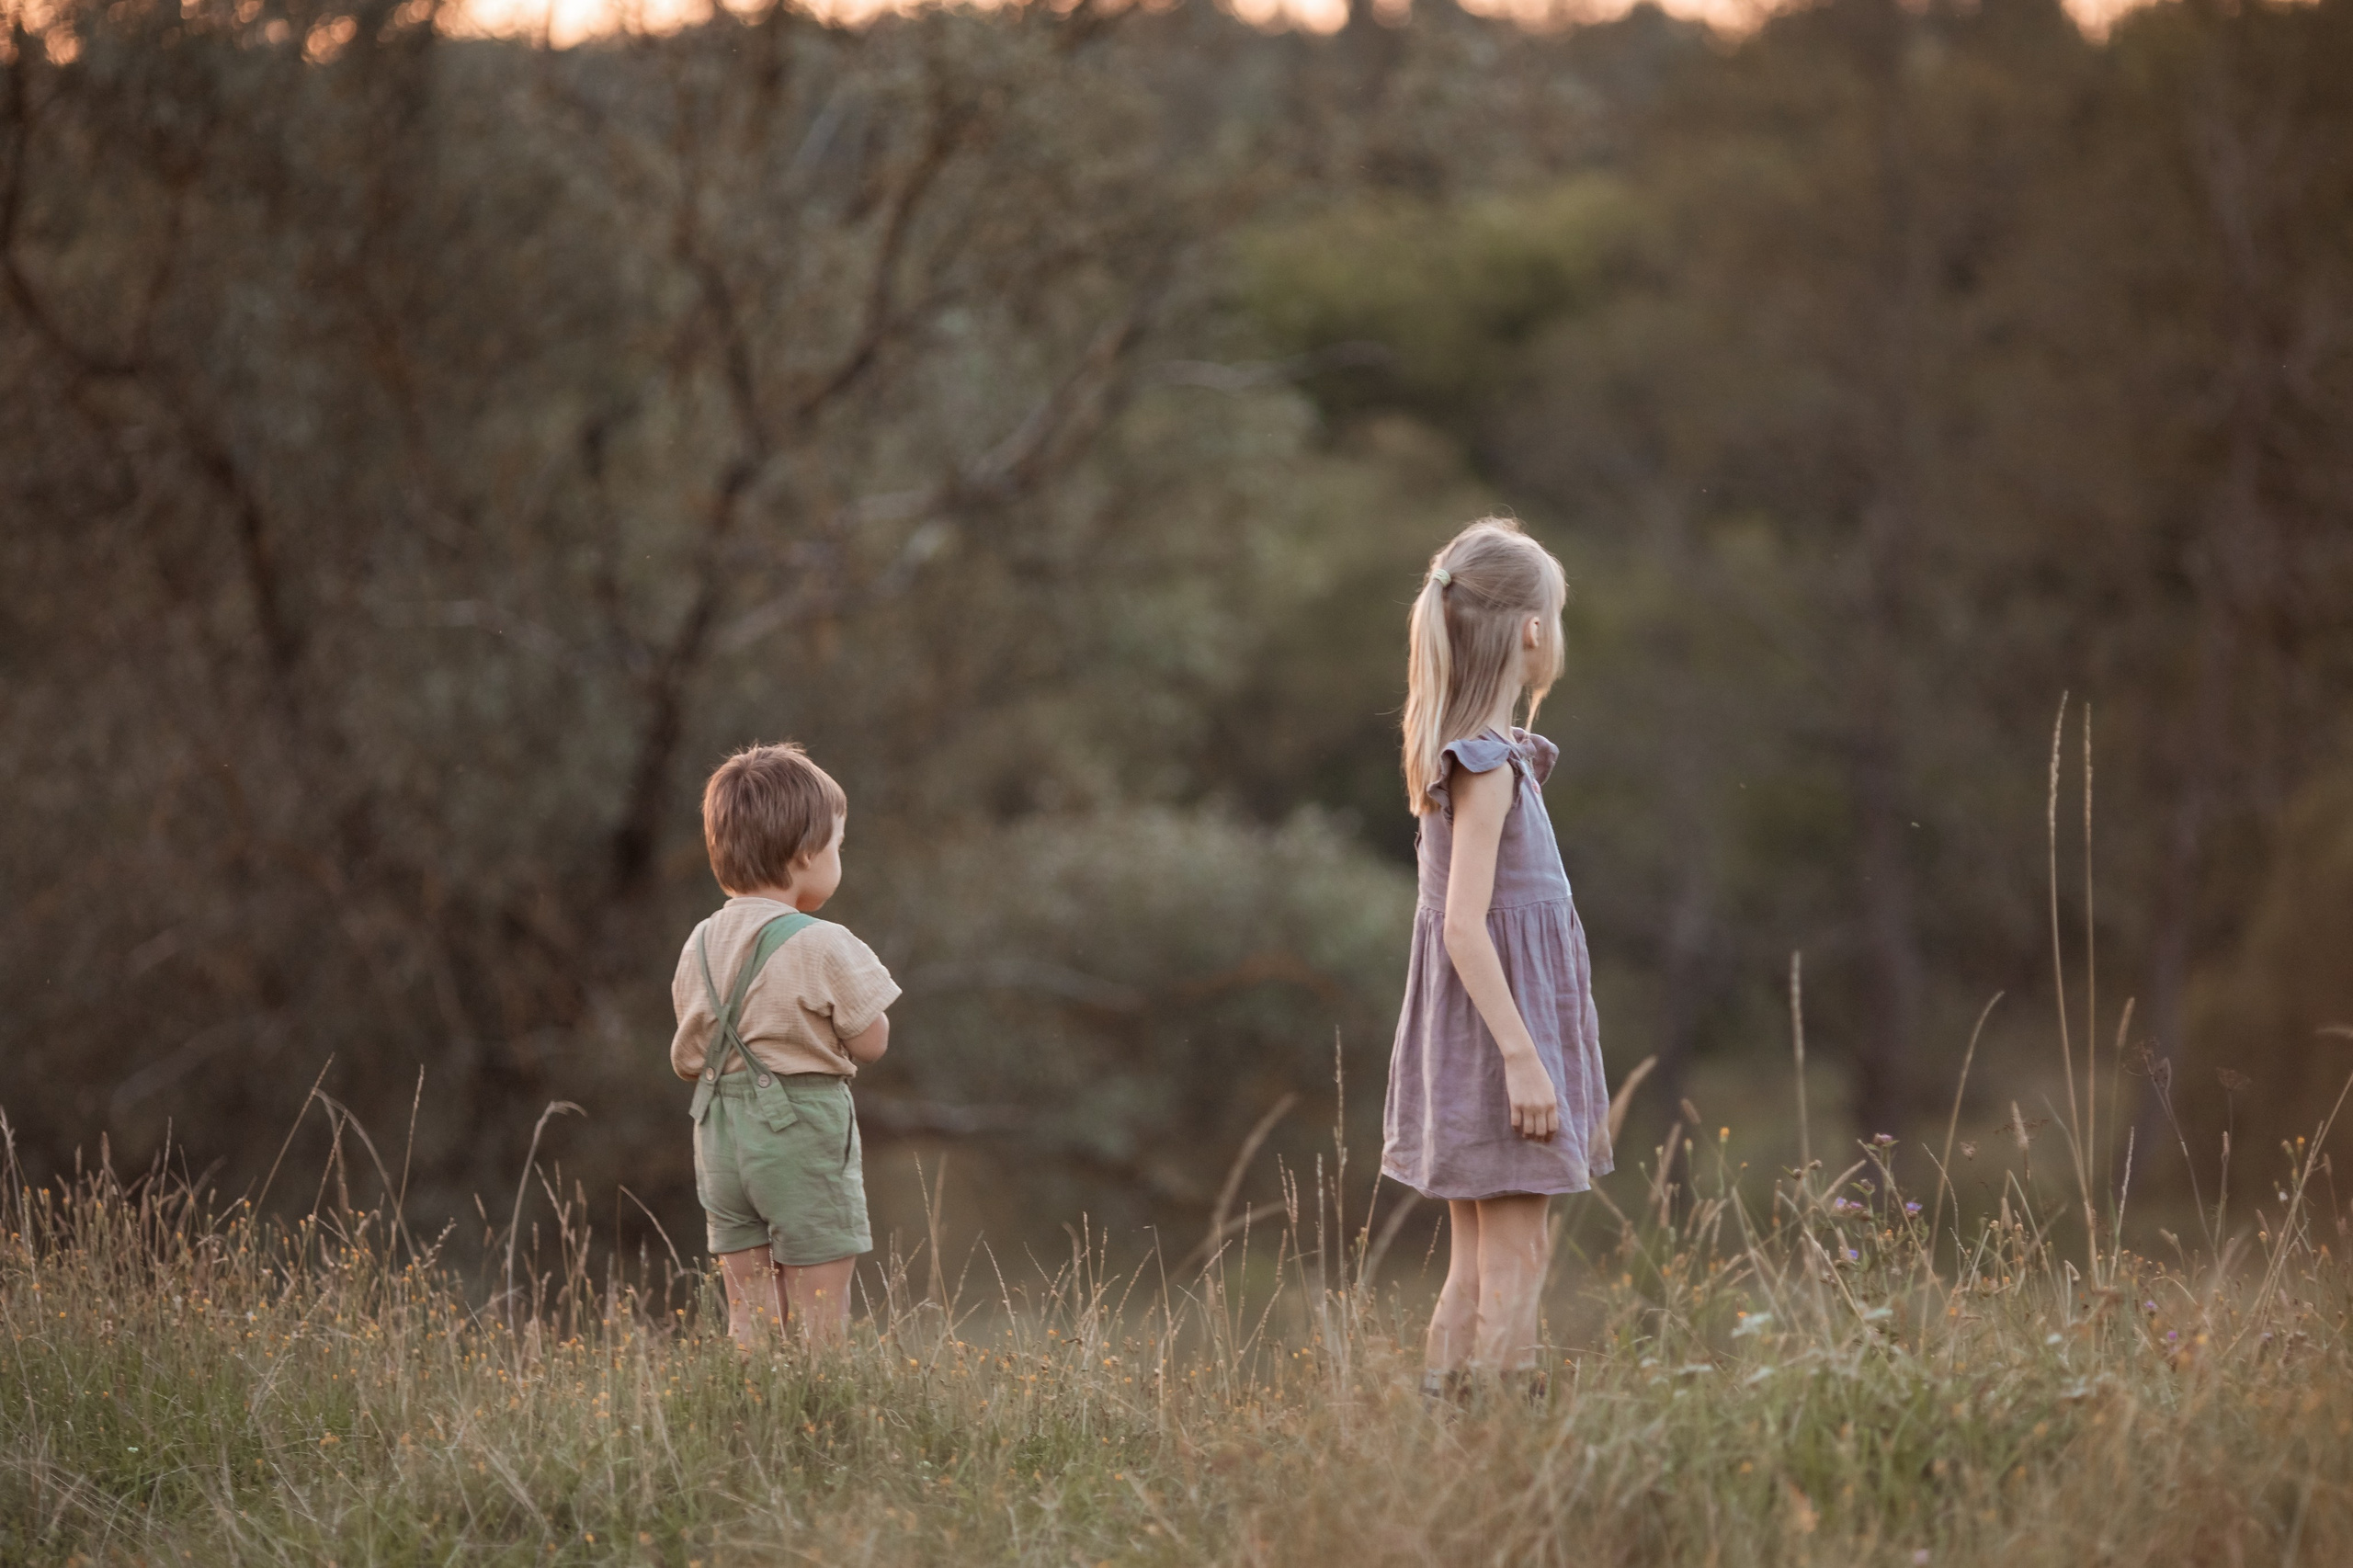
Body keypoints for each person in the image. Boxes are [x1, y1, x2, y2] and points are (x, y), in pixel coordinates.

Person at [1381, 517, 1612, 1403]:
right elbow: (1465, 927)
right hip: (1499, 1043)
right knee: (1517, 1254)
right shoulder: (1486, 766)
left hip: (1479, 1036)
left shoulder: (1482, 754)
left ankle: (1442, 1438)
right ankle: (1498, 1442)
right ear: (1531, 631)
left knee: (1478, 1261)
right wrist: (1525, 1059)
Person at [671, 742, 899, 1347]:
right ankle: (817, 1423)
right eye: (837, 847)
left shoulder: (698, 943)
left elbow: (691, 1047)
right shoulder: (823, 942)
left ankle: (757, 1420)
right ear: (805, 854)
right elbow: (871, 1041)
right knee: (819, 1311)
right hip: (798, 1130)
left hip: (719, 1139)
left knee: (751, 1312)